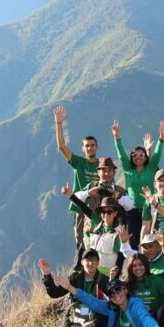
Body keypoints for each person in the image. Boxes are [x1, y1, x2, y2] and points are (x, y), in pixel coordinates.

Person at [54, 105, 101, 267]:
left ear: (97, 147)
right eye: (87, 146)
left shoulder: (102, 166)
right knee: (81, 243)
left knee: (97, 241)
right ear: (83, 148)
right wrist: (59, 124)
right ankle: (80, 271)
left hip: (97, 211)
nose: (90, 148)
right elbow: (61, 147)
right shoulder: (78, 163)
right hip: (80, 209)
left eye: (92, 145)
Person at [39, 253, 109, 327]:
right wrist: (47, 275)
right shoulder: (74, 278)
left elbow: (112, 305)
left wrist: (95, 322)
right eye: (87, 259)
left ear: (98, 262)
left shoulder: (104, 280)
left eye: (94, 259)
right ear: (82, 262)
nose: (90, 263)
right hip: (78, 317)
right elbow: (55, 293)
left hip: (97, 319)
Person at [112, 120, 164, 246]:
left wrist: (161, 139)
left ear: (146, 157)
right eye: (135, 155)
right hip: (132, 209)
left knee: (150, 239)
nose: (138, 157)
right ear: (131, 157)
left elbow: (157, 154)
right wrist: (116, 137)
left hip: (149, 208)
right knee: (134, 240)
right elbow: (121, 154)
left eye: (141, 155)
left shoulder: (150, 169)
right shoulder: (128, 170)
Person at [62, 184, 134, 274]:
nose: (106, 215)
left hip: (107, 276)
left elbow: (120, 257)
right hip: (91, 272)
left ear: (115, 213)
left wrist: (115, 277)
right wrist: (71, 195)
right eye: (103, 212)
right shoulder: (98, 223)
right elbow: (84, 208)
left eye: (109, 212)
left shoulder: (119, 232)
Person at [121, 253, 164, 318]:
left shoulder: (158, 281)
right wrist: (111, 278)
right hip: (134, 320)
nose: (138, 268)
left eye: (141, 264)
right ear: (130, 268)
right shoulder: (126, 283)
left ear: (146, 265)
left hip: (156, 319)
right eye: (134, 266)